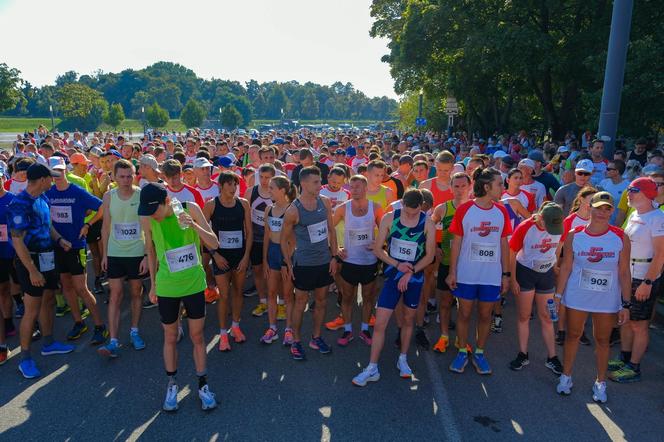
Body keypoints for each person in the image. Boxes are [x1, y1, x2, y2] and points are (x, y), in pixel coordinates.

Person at [139, 182, 219, 411]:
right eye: (147, 211)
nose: (152, 216)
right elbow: (151, 251)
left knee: (197, 336)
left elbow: (214, 243)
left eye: (154, 210)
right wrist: (153, 286)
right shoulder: (147, 218)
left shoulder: (190, 208)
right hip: (166, 287)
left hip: (193, 284)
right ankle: (172, 384)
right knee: (170, 337)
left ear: (166, 201)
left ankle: (203, 385)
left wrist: (193, 226)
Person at [351, 189, 435, 386]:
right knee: (380, 323)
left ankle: (403, 359)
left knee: (408, 320)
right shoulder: (391, 217)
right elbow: (379, 249)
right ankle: (372, 367)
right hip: (393, 276)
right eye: (407, 211)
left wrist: (410, 271)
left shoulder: (427, 223)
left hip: (414, 278)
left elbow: (429, 256)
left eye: (415, 213)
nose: (410, 215)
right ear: (402, 204)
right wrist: (398, 266)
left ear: (421, 207)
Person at [555, 191, 631, 403]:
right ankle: (566, 376)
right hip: (578, 294)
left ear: (612, 211)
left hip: (606, 299)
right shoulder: (574, 234)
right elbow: (566, 266)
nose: (602, 213)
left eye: (607, 209)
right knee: (573, 335)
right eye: (598, 208)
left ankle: (600, 382)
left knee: (602, 340)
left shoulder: (620, 236)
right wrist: (558, 295)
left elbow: (624, 272)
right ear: (590, 208)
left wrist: (626, 304)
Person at [9, 163, 74, 378]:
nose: (54, 180)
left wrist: (60, 239)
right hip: (30, 262)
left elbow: (48, 226)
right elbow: (17, 242)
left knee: (48, 300)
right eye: (51, 177)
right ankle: (25, 358)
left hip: (47, 257)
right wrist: (32, 271)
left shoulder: (42, 198)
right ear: (42, 180)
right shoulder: (19, 204)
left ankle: (48, 343)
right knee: (32, 309)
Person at [446, 167, 511, 375]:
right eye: (500, 184)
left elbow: (504, 244)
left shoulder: (501, 211)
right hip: (466, 273)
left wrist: (506, 274)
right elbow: (456, 244)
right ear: (486, 186)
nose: (503, 187)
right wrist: (452, 271)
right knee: (464, 314)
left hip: (490, 276)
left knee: (485, 316)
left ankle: (480, 353)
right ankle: (463, 351)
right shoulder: (465, 210)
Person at [46, 157, 108, 344]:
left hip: (75, 245)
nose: (57, 175)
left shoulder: (77, 191)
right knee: (66, 286)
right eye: (53, 172)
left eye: (60, 171)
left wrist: (87, 224)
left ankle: (99, 326)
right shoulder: (48, 193)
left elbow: (102, 207)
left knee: (81, 288)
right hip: (57, 246)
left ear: (66, 170)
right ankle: (78, 322)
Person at [608, 178, 664, 383]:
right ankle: (624, 356)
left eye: (633, 190)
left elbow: (660, 255)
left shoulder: (658, 217)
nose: (628, 193)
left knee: (639, 325)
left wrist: (647, 283)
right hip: (627, 275)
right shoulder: (634, 214)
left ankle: (634, 366)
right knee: (625, 318)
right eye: (629, 189)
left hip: (643, 277)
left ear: (647, 193)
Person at [281, 166, 338, 360]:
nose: (320, 184)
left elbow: (331, 230)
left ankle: (316, 337)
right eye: (315, 182)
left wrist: (334, 256)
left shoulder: (325, 202)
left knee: (322, 302)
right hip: (304, 264)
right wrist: (288, 264)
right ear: (303, 184)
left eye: (319, 180)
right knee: (300, 303)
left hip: (323, 261)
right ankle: (296, 341)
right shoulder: (293, 210)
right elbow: (283, 240)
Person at [98, 160, 148, 358]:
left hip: (136, 252)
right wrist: (104, 255)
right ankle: (113, 340)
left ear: (135, 175)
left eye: (130, 176)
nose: (126, 180)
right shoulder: (108, 196)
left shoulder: (141, 194)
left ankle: (135, 331)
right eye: (122, 176)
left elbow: (147, 228)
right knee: (116, 295)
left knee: (136, 292)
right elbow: (105, 227)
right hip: (115, 252)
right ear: (114, 177)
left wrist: (146, 254)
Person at [507, 203, 564, 374]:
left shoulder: (560, 225)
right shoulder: (525, 227)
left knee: (547, 316)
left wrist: (555, 264)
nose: (552, 229)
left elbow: (560, 242)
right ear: (540, 218)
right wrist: (513, 278)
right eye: (549, 225)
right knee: (524, 315)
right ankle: (523, 354)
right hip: (525, 272)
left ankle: (552, 357)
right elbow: (512, 251)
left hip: (546, 273)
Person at [203, 171, 252, 351]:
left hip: (239, 256)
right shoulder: (211, 205)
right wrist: (215, 254)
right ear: (221, 186)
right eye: (229, 184)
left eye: (235, 184)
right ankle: (223, 334)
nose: (233, 188)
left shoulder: (243, 204)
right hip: (221, 257)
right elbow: (202, 232)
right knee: (223, 295)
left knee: (238, 292)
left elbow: (249, 232)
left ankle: (236, 327)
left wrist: (246, 256)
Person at [333, 175, 383, 346]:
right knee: (347, 297)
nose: (354, 190)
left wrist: (379, 243)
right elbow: (329, 229)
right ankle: (347, 330)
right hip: (349, 260)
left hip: (369, 261)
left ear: (365, 188)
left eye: (358, 187)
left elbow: (386, 229)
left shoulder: (375, 207)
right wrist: (336, 249)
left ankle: (364, 329)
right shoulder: (342, 208)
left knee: (368, 297)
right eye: (352, 187)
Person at [431, 172, 471, 353]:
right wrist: (436, 245)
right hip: (447, 262)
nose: (460, 190)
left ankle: (462, 340)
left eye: (463, 186)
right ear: (450, 188)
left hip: (468, 264)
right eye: (456, 186)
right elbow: (430, 227)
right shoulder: (443, 208)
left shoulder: (474, 208)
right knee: (445, 303)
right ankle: (444, 336)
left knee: (465, 307)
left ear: (470, 187)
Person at [261, 176, 297, 345]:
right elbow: (267, 236)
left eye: (272, 188)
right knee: (271, 293)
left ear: (282, 190)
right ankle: (272, 328)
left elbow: (294, 240)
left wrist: (286, 262)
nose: (269, 191)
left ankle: (288, 329)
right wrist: (264, 260)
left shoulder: (293, 209)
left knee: (289, 294)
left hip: (287, 255)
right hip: (272, 253)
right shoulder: (269, 209)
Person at [247, 165, 277, 317]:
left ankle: (277, 302)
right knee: (257, 270)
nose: (264, 181)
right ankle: (263, 301)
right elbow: (246, 216)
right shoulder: (251, 192)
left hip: (273, 240)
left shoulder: (277, 193)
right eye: (262, 177)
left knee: (273, 272)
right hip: (256, 239)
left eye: (268, 178)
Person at [598, 160, 628, 225]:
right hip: (601, 224)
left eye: (608, 169)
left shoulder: (628, 186)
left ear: (617, 171)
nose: (606, 171)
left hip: (617, 225)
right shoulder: (603, 183)